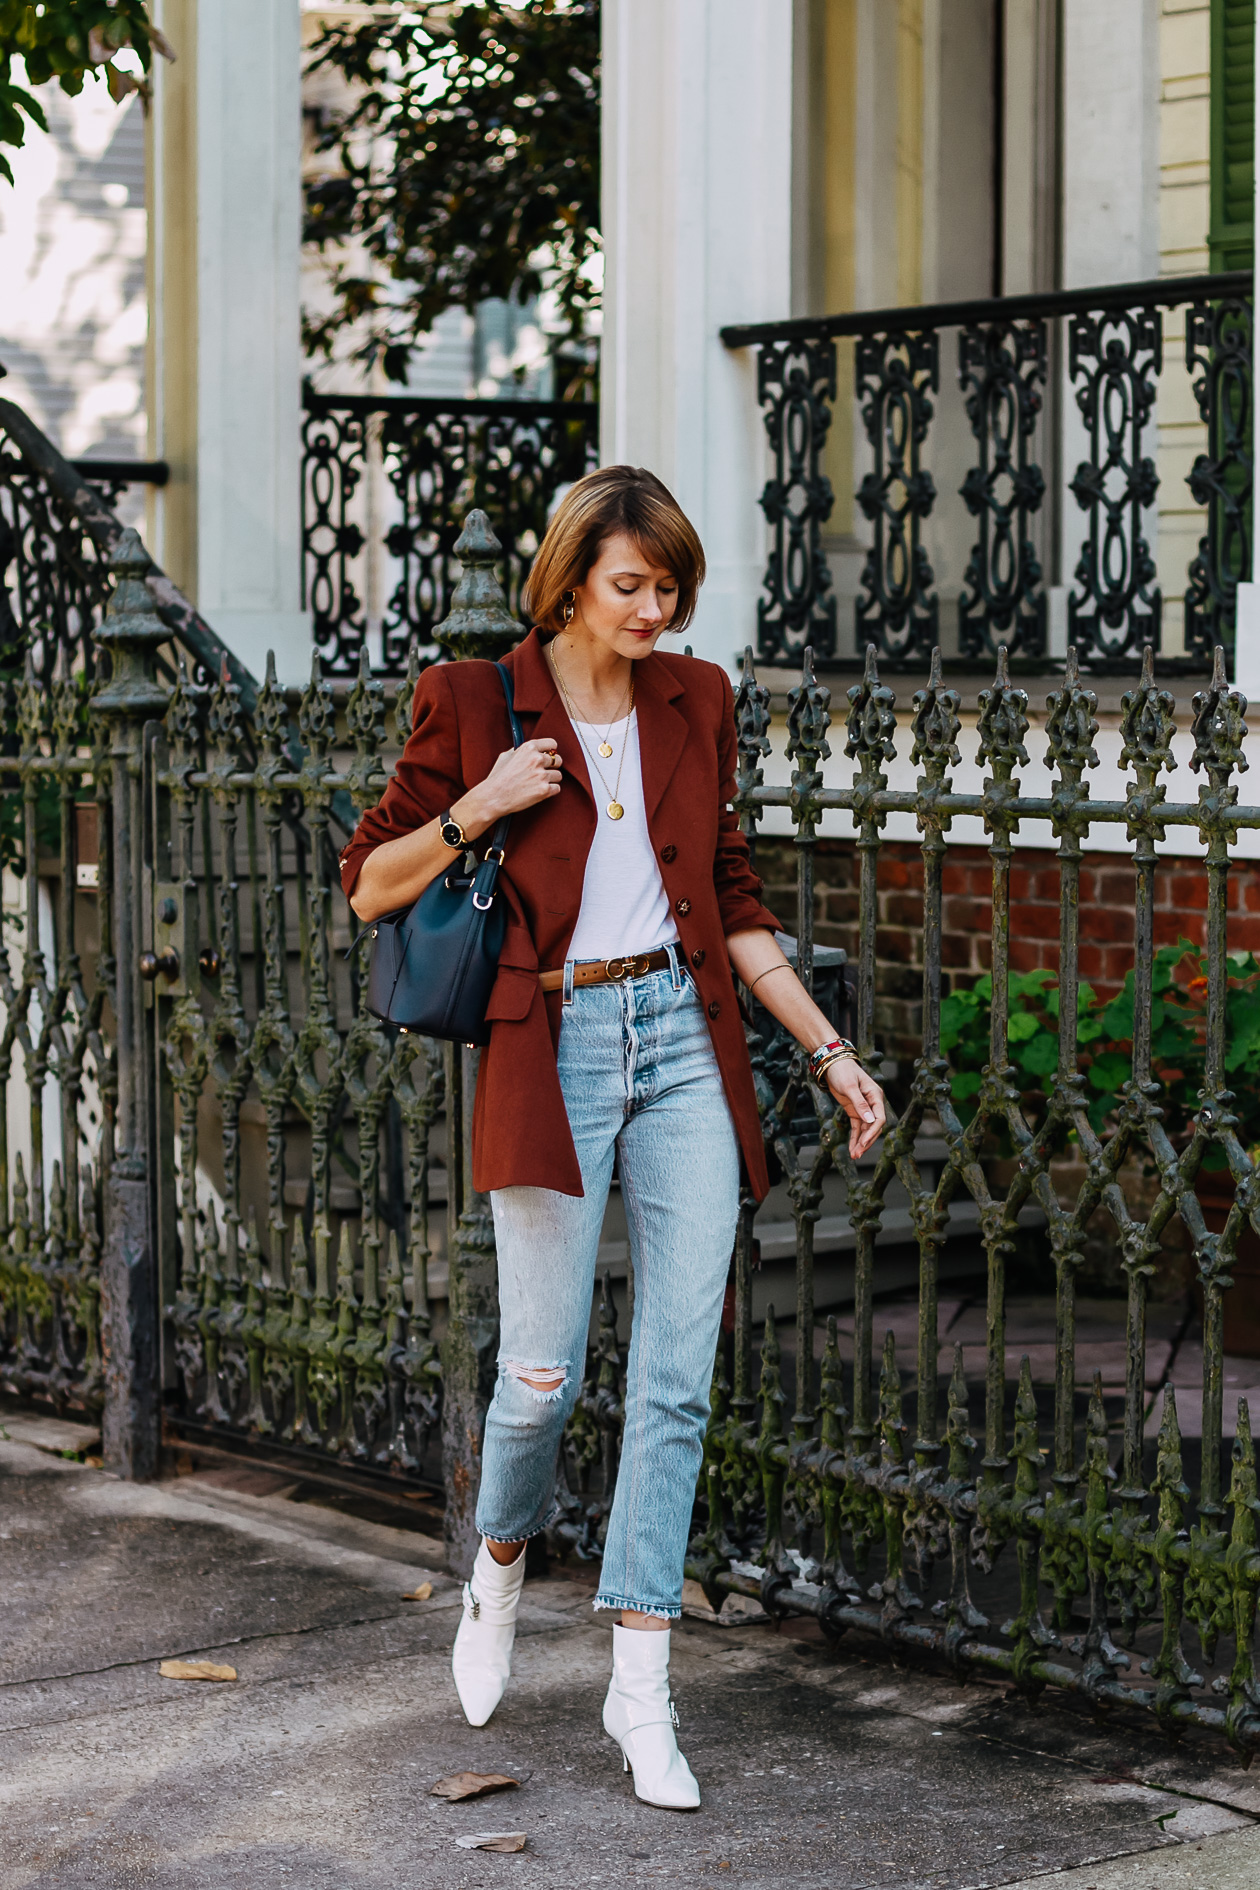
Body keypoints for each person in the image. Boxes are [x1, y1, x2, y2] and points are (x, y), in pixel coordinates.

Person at [339, 465, 886, 1810]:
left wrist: (827, 1050)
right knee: (542, 1374)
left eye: (672, 588)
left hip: (684, 1041)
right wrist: (484, 803)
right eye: (633, 585)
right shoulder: (474, 701)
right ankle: (502, 1556)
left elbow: (735, 900)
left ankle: (641, 1681)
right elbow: (368, 885)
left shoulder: (697, 700)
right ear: (573, 577)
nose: (656, 610)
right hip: (559, 1045)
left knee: (677, 1378)